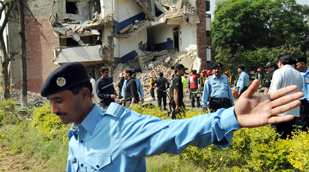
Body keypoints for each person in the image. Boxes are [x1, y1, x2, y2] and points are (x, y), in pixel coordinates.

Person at [41, 62, 303, 171]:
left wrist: (230, 117)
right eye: (52, 102)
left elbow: (175, 132)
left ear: (85, 94)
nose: (54, 110)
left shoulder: (120, 127)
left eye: (59, 101)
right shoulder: (76, 135)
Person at [268, 54, 303, 139]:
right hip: (294, 111)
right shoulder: (298, 74)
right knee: (288, 138)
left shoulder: (279, 72)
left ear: (280, 62)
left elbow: (273, 92)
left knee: (276, 137)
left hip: (280, 111)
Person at [294, 56, 309, 131]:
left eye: (298, 65)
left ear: (303, 64)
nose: (296, 66)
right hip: (301, 102)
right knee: (301, 121)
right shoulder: (295, 74)